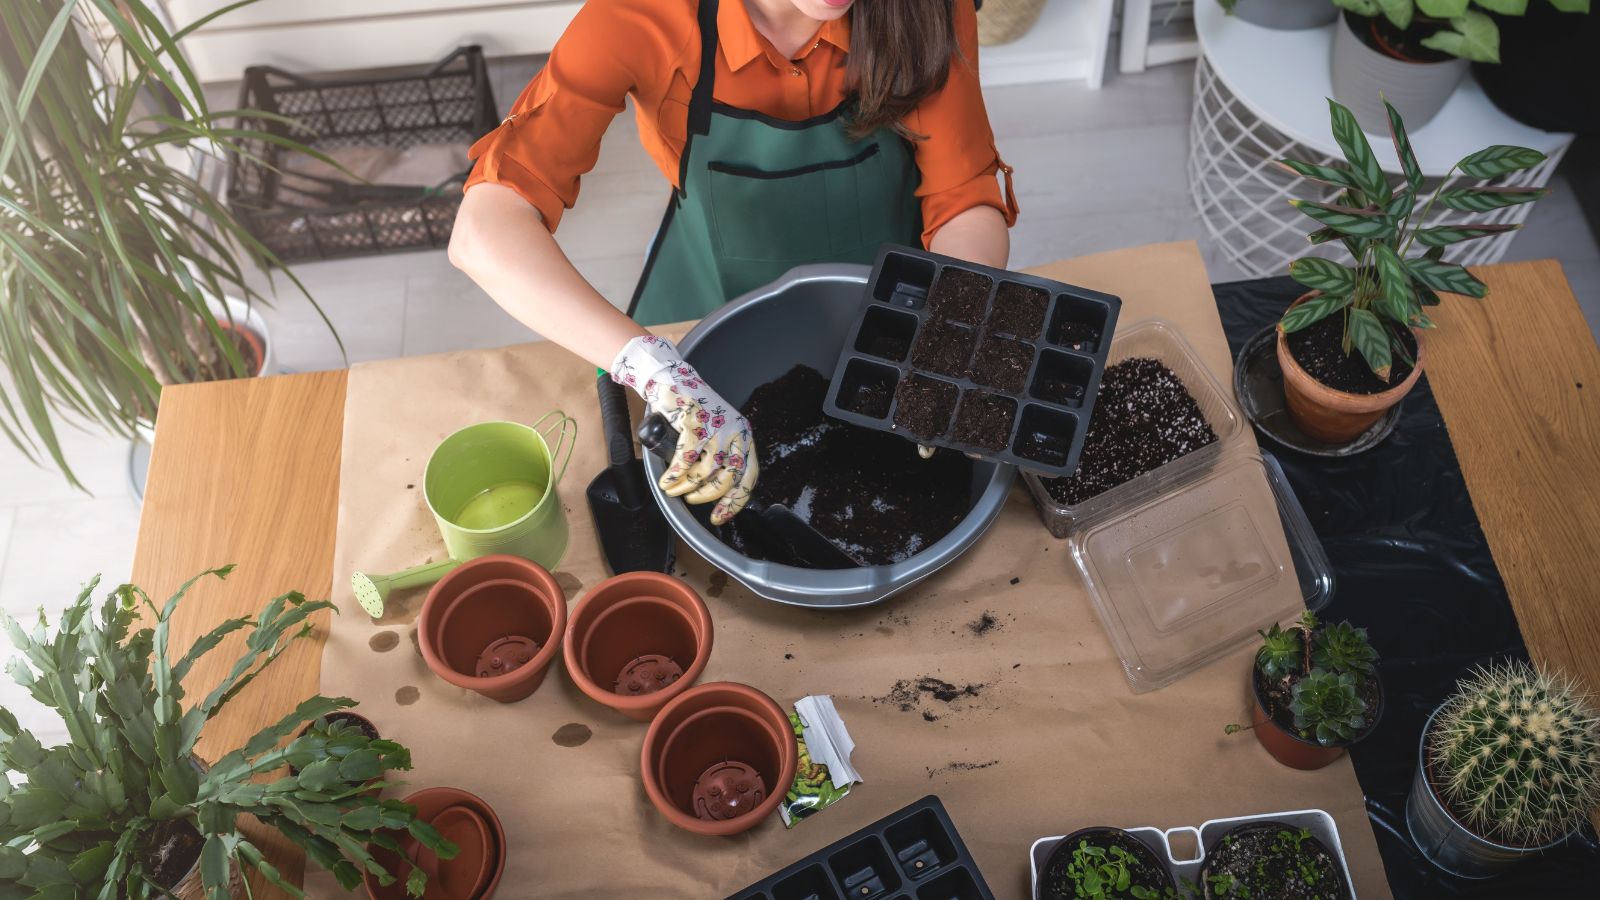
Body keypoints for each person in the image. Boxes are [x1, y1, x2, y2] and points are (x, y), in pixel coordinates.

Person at [449, 0, 1018, 526]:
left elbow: (964, 196)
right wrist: (656, 372)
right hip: (712, 292)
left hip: (895, 296)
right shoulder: (641, 15)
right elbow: (483, 231)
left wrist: (951, 330)